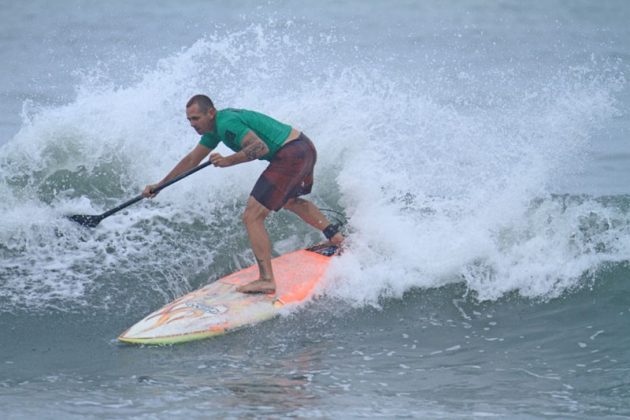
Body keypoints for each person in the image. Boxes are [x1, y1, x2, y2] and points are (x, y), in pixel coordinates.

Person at [143, 94, 344, 294]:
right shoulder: (214, 130)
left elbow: (259, 147)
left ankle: (266, 280)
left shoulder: (226, 123)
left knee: (252, 216)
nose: (192, 124)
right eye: (189, 119)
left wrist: (227, 161)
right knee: (290, 201)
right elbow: (191, 160)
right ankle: (336, 238)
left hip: (291, 154)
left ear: (211, 113)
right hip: (304, 147)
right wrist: (160, 185)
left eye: (196, 118)